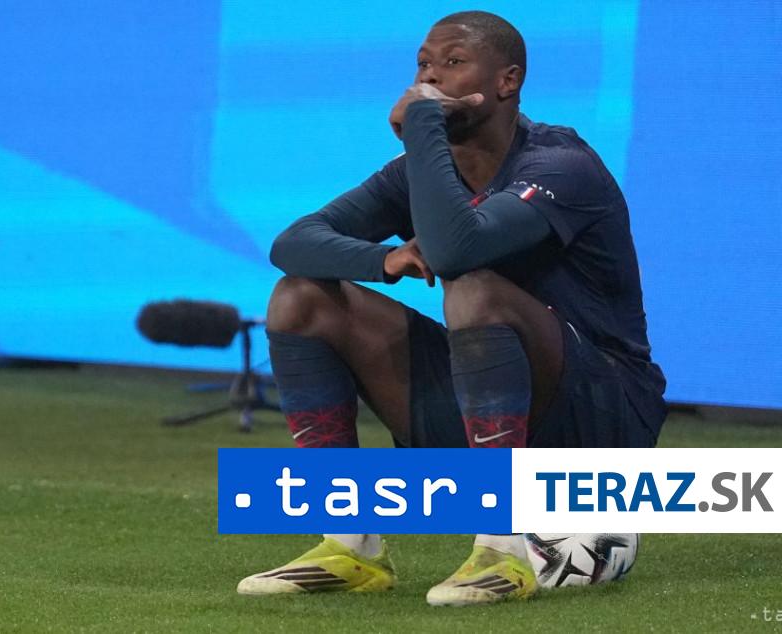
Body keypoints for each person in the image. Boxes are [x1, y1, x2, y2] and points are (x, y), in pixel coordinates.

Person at [236, 10, 666, 606]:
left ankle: (502, 547)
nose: (430, 78)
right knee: (299, 298)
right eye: (423, 65)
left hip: (598, 418)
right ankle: (349, 543)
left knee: (472, 288)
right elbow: (292, 243)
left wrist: (420, 122)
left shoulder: (560, 165)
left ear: (507, 81)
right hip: (490, 406)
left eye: (453, 62)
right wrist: (384, 259)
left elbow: (456, 250)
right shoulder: (418, 175)